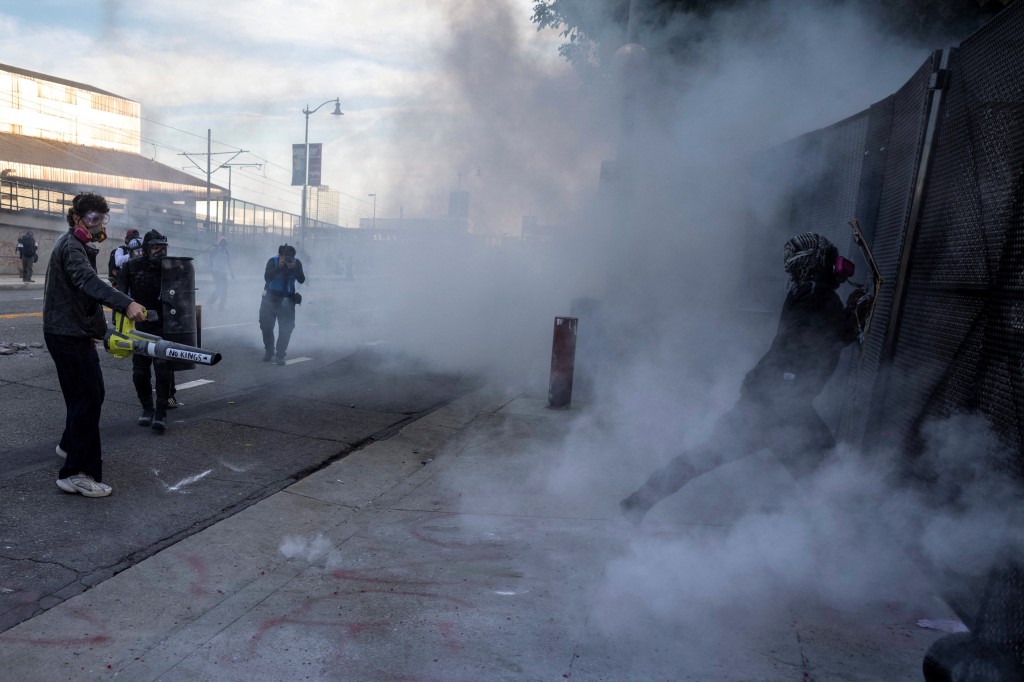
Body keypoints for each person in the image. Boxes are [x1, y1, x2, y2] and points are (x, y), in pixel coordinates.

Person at [620, 232, 866, 524]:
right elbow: (802, 340)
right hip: (782, 405)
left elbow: (822, 338)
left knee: (707, 457)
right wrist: (848, 325)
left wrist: (849, 321)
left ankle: (636, 503)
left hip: (771, 399)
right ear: (813, 262)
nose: (834, 261)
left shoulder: (813, 292)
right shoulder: (814, 293)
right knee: (826, 476)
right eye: (827, 255)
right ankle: (843, 536)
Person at [44, 192, 146, 497]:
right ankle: (76, 473)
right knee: (87, 398)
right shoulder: (73, 247)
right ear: (77, 219)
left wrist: (99, 331)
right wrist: (126, 303)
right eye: (93, 219)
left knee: (88, 395)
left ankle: (69, 445)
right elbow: (90, 284)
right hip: (66, 334)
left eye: (103, 219)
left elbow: (84, 298)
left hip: (72, 331)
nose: (99, 224)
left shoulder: (81, 245)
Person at [118, 230, 174, 432]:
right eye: (155, 247)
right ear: (146, 248)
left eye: (163, 247)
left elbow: (182, 296)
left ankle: (161, 412)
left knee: (162, 369)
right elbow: (119, 296)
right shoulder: (131, 267)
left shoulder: (172, 267)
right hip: (139, 327)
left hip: (164, 326)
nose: (160, 251)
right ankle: (147, 409)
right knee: (140, 372)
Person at [259, 243, 305, 366]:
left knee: (286, 328)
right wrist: (279, 267)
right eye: (284, 256)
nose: (287, 259)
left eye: (290, 256)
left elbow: (302, 279)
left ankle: (280, 354)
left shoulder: (297, 263)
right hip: (271, 298)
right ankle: (269, 350)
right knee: (266, 326)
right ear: (279, 255)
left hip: (288, 299)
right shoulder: (272, 262)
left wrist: (294, 268)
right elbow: (267, 278)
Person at [207, 236, 234, 310]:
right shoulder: (215, 250)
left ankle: (221, 306)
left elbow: (228, 262)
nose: (223, 244)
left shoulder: (226, 251)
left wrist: (231, 272)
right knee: (219, 289)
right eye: (222, 242)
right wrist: (212, 270)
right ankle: (209, 302)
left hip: (223, 272)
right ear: (219, 243)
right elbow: (211, 260)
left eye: (224, 243)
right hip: (216, 272)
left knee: (225, 289)